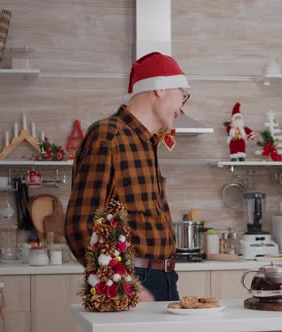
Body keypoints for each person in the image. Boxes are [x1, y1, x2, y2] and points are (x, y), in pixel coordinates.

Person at [65, 52, 191, 302]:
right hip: (131, 281)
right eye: (183, 94)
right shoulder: (108, 136)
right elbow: (81, 225)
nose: (183, 108)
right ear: (160, 89)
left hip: (164, 280)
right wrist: (124, 285)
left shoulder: (147, 142)